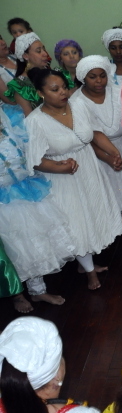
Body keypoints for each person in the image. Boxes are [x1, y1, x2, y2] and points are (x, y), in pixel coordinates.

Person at [26, 68, 122, 290]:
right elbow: (35, 160)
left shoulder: (79, 105)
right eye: (55, 89)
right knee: (77, 222)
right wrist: (60, 167)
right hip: (62, 178)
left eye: (64, 87)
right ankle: (90, 272)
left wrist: (114, 154)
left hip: (89, 168)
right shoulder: (35, 122)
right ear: (40, 93)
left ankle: (86, 264)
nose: (63, 92)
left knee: (92, 214)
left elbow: (94, 133)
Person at [0, 106, 74, 312]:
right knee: (11, 248)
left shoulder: (10, 117)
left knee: (32, 242)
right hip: (3, 201)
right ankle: (17, 295)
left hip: (25, 190)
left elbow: (29, 150)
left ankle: (37, 289)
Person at [72, 55, 122, 243]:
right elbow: (90, 137)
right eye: (92, 77)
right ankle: (119, 229)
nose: (99, 81)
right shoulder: (76, 102)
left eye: (102, 76)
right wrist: (110, 157)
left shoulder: (119, 91)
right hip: (99, 152)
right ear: (83, 78)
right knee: (113, 194)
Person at [4, 32, 49, 116]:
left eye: (44, 49)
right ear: (25, 56)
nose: (45, 54)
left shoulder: (50, 73)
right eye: (38, 51)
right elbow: (30, 118)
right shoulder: (20, 85)